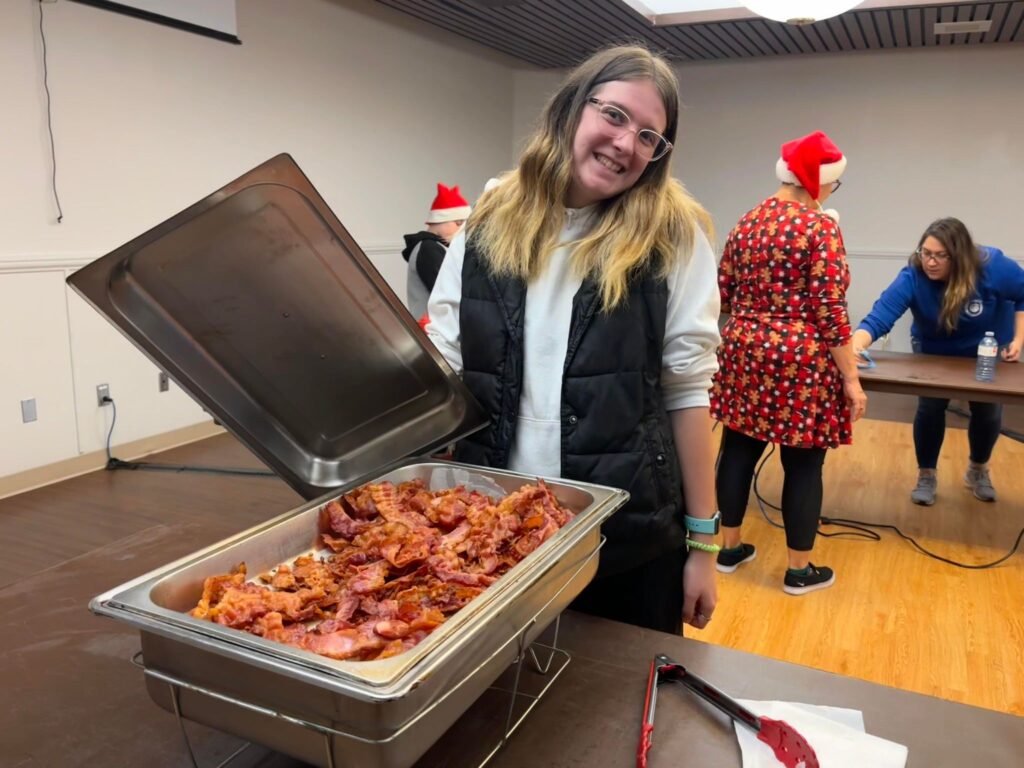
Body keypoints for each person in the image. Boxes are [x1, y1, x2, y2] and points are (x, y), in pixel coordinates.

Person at [425, 45, 721, 634]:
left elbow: (687, 392)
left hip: (627, 537)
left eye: (649, 136)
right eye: (614, 115)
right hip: (492, 527)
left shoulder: (673, 235)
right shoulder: (490, 219)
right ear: (571, 108)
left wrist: (704, 548)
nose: (626, 143)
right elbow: (445, 360)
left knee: (619, 685)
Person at [710, 130, 866, 596]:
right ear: (817, 179)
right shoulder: (819, 228)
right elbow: (830, 309)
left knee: (737, 449)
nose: (832, 192)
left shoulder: (747, 221)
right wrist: (851, 378)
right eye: (834, 184)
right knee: (803, 464)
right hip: (800, 360)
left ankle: (729, 549)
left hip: (743, 350)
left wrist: (753, 322)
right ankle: (799, 572)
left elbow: (722, 292)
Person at [852, 217, 1024, 505]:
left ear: (959, 256)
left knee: (987, 411)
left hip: (983, 351)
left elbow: (1022, 295)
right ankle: (927, 474)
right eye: (926, 253)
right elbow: (880, 316)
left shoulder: (993, 267)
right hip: (934, 349)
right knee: (930, 407)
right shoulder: (913, 275)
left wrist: (1018, 340)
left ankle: (978, 469)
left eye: (940, 256)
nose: (930, 262)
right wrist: (855, 345)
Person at [402, 183, 470, 319]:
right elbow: (450, 293)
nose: (461, 231)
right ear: (442, 219)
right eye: (459, 223)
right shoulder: (429, 249)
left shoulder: (432, 247)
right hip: (432, 327)